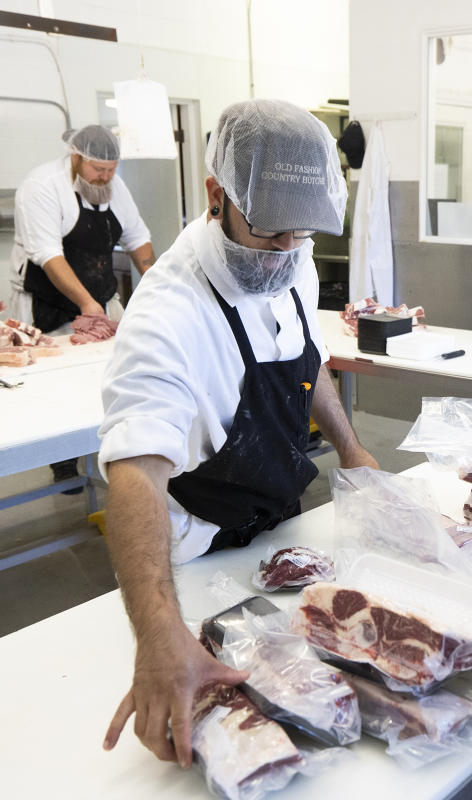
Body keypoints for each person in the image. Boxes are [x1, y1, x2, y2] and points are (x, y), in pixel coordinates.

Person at [97, 100, 379, 766]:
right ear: (215, 195)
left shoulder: (292, 260)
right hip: (198, 556)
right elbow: (135, 472)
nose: (288, 251)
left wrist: (352, 448)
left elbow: (307, 361)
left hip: (280, 532)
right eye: (273, 233)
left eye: (301, 236)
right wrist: (159, 635)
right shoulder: (168, 312)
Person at [9, 124, 156, 488]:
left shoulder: (113, 187)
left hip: (100, 297)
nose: (105, 177)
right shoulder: (42, 187)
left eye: (111, 169)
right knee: (61, 389)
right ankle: (63, 465)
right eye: (97, 170)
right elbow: (48, 255)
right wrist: (88, 306)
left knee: (117, 375)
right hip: (49, 300)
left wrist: (157, 285)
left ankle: (115, 452)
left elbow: (138, 239)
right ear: (76, 158)